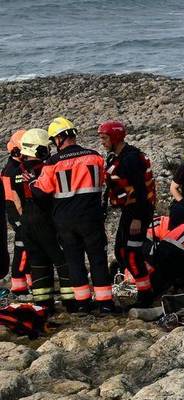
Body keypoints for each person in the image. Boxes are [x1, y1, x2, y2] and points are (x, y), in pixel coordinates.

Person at [33, 118, 114, 312]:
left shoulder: (53, 163)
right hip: (91, 218)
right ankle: (105, 304)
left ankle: (83, 304)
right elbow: (104, 182)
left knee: (74, 261)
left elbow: (42, 193)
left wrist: (31, 184)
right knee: (98, 259)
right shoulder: (95, 157)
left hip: (65, 220)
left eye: (54, 140)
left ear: (60, 138)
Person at [100, 121, 158, 305]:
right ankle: (148, 280)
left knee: (132, 254)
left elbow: (140, 191)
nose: (102, 141)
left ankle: (146, 294)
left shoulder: (130, 158)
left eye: (104, 137)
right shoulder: (116, 156)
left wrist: (137, 220)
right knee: (121, 251)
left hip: (138, 212)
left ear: (115, 137)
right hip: (130, 210)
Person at [15, 129, 72, 311]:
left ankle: (43, 303)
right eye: (45, 148)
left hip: (27, 221)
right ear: (38, 150)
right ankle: (71, 302)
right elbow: (48, 193)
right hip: (45, 218)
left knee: (38, 262)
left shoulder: (17, 171)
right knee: (62, 259)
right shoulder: (44, 169)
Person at [2, 132, 28, 301]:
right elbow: (13, 198)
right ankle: (19, 283)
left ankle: (24, 281)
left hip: (18, 213)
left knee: (27, 247)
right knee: (23, 246)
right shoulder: (12, 170)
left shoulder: (16, 168)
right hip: (17, 213)